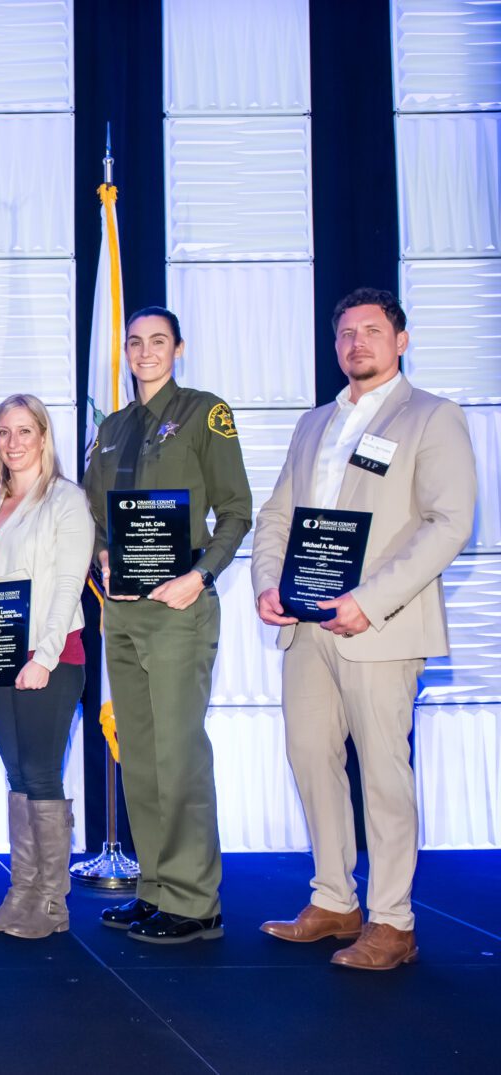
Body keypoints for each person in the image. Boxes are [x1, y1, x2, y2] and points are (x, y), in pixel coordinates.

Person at [253, 288, 476, 971]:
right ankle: (334, 898)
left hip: (381, 626)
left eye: (372, 331)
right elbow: (276, 517)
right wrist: (268, 582)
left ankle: (393, 920)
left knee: (383, 771)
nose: (357, 344)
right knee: (308, 756)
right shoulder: (313, 422)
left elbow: (450, 523)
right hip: (307, 625)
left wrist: (370, 600)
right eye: (346, 333)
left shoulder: (432, 418)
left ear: (400, 340)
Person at [82, 306, 252, 944]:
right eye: (135, 343)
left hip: (179, 609)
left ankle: (195, 902)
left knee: (179, 755)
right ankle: (155, 888)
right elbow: (98, 511)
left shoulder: (206, 413)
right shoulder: (113, 427)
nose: (145, 351)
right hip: (121, 610)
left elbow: (236, 511)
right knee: (142, 757)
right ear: (125, 352)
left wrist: (201, 576)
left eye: (158, 341)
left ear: (178, 348)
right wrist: (101, 549)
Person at [0, 394, 93, 939]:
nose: (13, 442)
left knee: (40, 774)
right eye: (4, 432)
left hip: (49, 661)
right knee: (16, 775)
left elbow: (66, 585)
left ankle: (52, 905)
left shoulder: (66, 501)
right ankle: (21, 895)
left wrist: (45, 656)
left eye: (24, 431)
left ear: (43, 437)